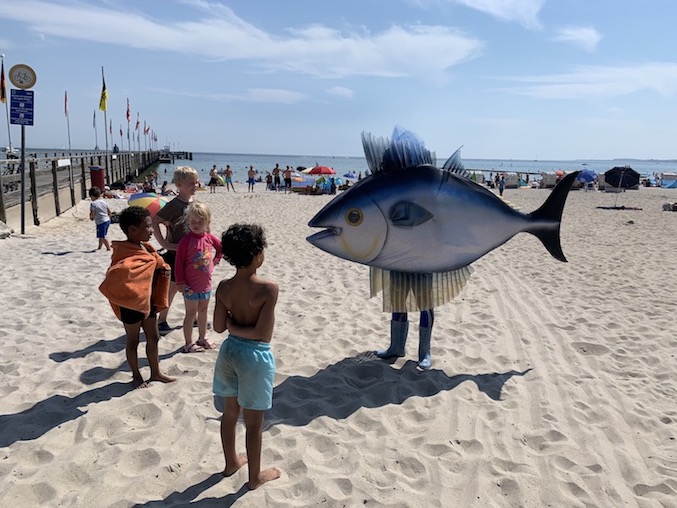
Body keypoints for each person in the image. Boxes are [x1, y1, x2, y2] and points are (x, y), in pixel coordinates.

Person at [212, 223, 281, 489]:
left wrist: (232, 326)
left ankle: (231, 462)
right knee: (254, 423)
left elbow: (219, 327)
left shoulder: (224, 287)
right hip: (255, 357)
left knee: (230, 413)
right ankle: (254, 477)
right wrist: (239, 328)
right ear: (257, 255)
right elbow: (262, 334)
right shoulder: (268, 289)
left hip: (230, 352)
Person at [99, 206, 176, 389]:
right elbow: (118, 273)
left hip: (148, 301)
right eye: (148, 227)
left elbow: (156, 263)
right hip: (130, 304)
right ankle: (136, 376)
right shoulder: (124, 252)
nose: (151, 230)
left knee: (154, 337)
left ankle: (155, 372)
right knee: (132, 341)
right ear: (133, 230)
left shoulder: (147, 248)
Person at [152, 166, 199, 335]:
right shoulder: (174, 205)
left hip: (193, 253)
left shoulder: (196, 204)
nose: (195, 185)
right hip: (175, 253)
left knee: (193, 286)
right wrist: (164, 243)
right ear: (179, 184)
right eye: (190, 183)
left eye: (196, 182)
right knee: (171, 289)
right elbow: (155, 220)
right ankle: (162, 320)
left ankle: (193, 318)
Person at [175, 202, 222, 353]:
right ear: (188, 222)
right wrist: (180, 282)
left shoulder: (209, 238)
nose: (196, 224)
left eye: (200, 222)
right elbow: (178, 264)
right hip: (190, 286)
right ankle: (188, 343)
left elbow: (221, 248)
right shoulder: (186, 241)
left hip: (205, 284)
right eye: (193, 221)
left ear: (207, 223)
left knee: (203, 311)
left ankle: (202, 338)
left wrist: (216, 260)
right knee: (190, 314)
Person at [89, 186, 112, 251]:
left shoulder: (93, 204)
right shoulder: (103, 202)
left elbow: (93, 212)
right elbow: (109, 211)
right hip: (107, 220)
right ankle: (99, 247)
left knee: (102, 236)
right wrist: (109, 217)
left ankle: (108, 248)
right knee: (102, 234)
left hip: (101, 221)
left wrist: (91, 217)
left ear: (92, 196)